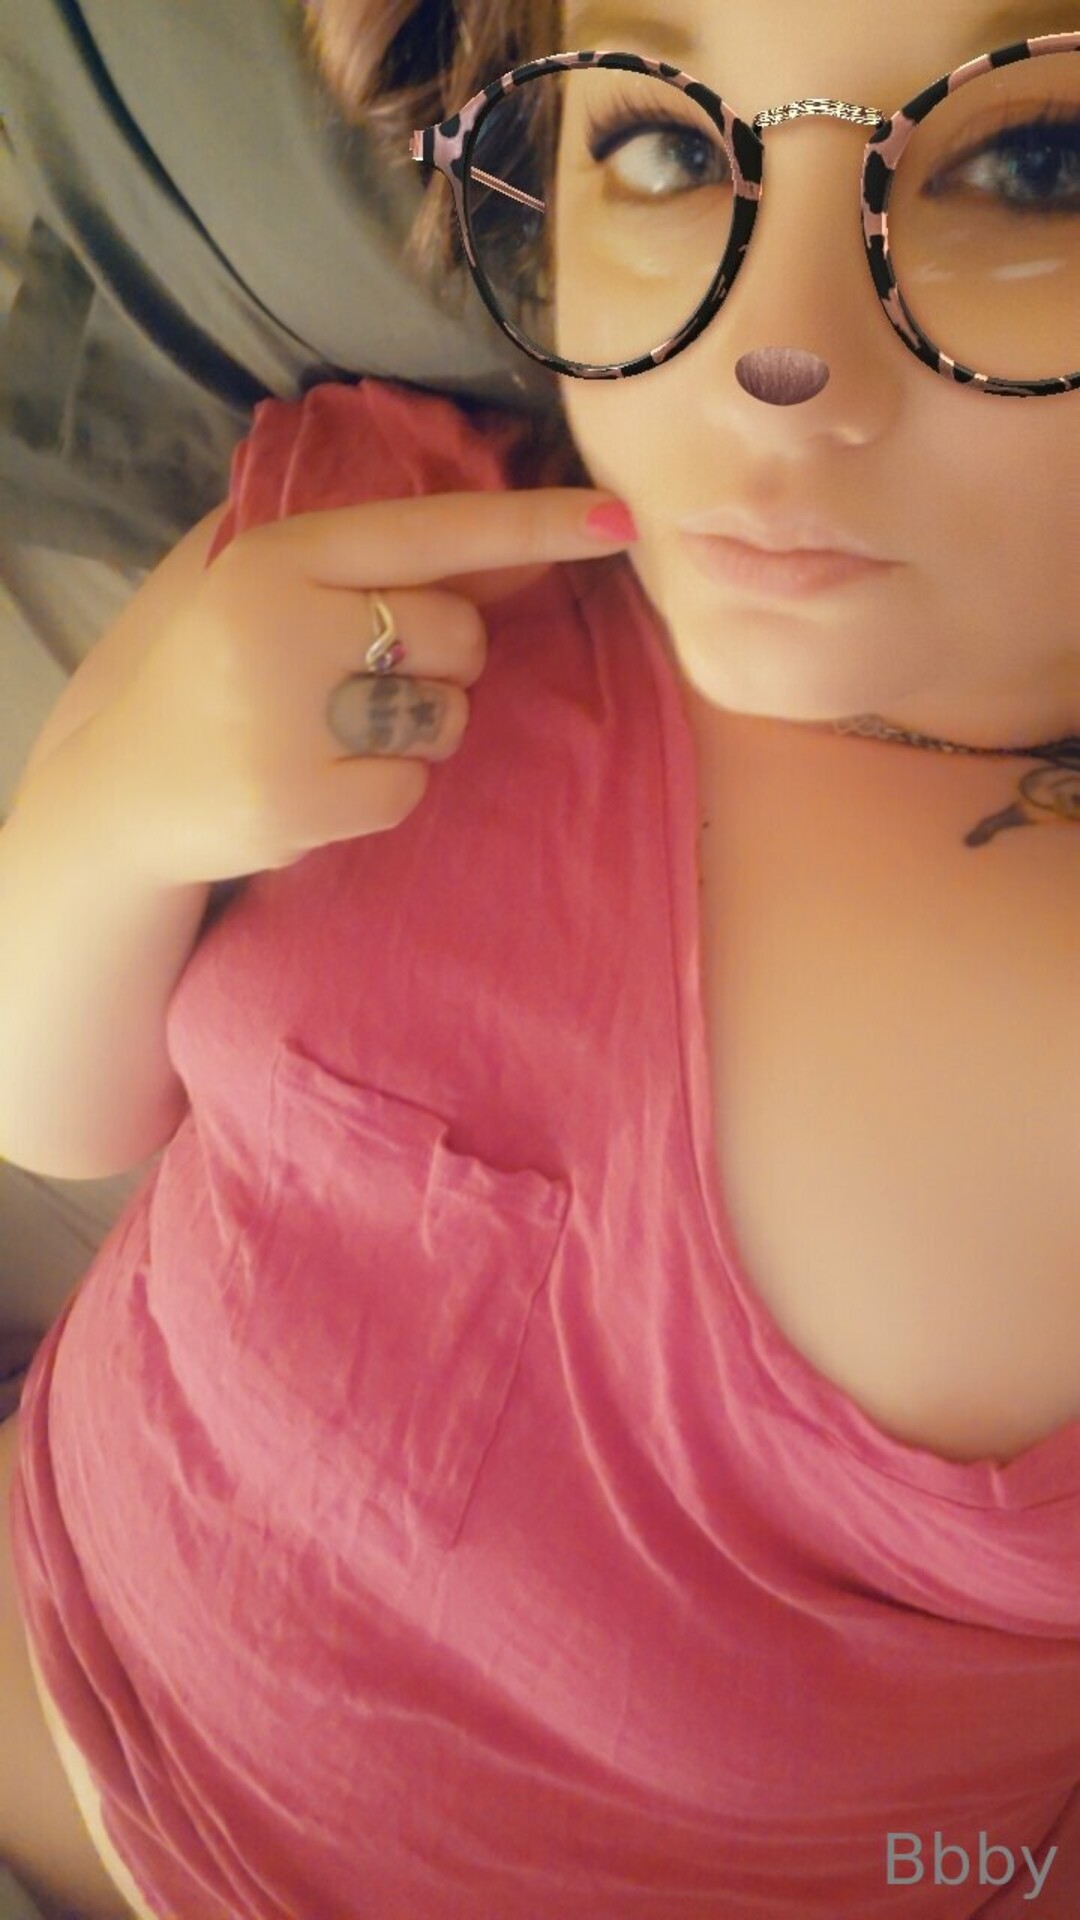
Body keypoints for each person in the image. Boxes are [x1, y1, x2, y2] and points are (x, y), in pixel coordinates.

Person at [1, 1, 1078, 1915]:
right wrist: (123, 813)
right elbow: (49, 1108)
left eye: (1035, 168)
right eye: (667, 149)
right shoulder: (379, 557)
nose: (775, 355)